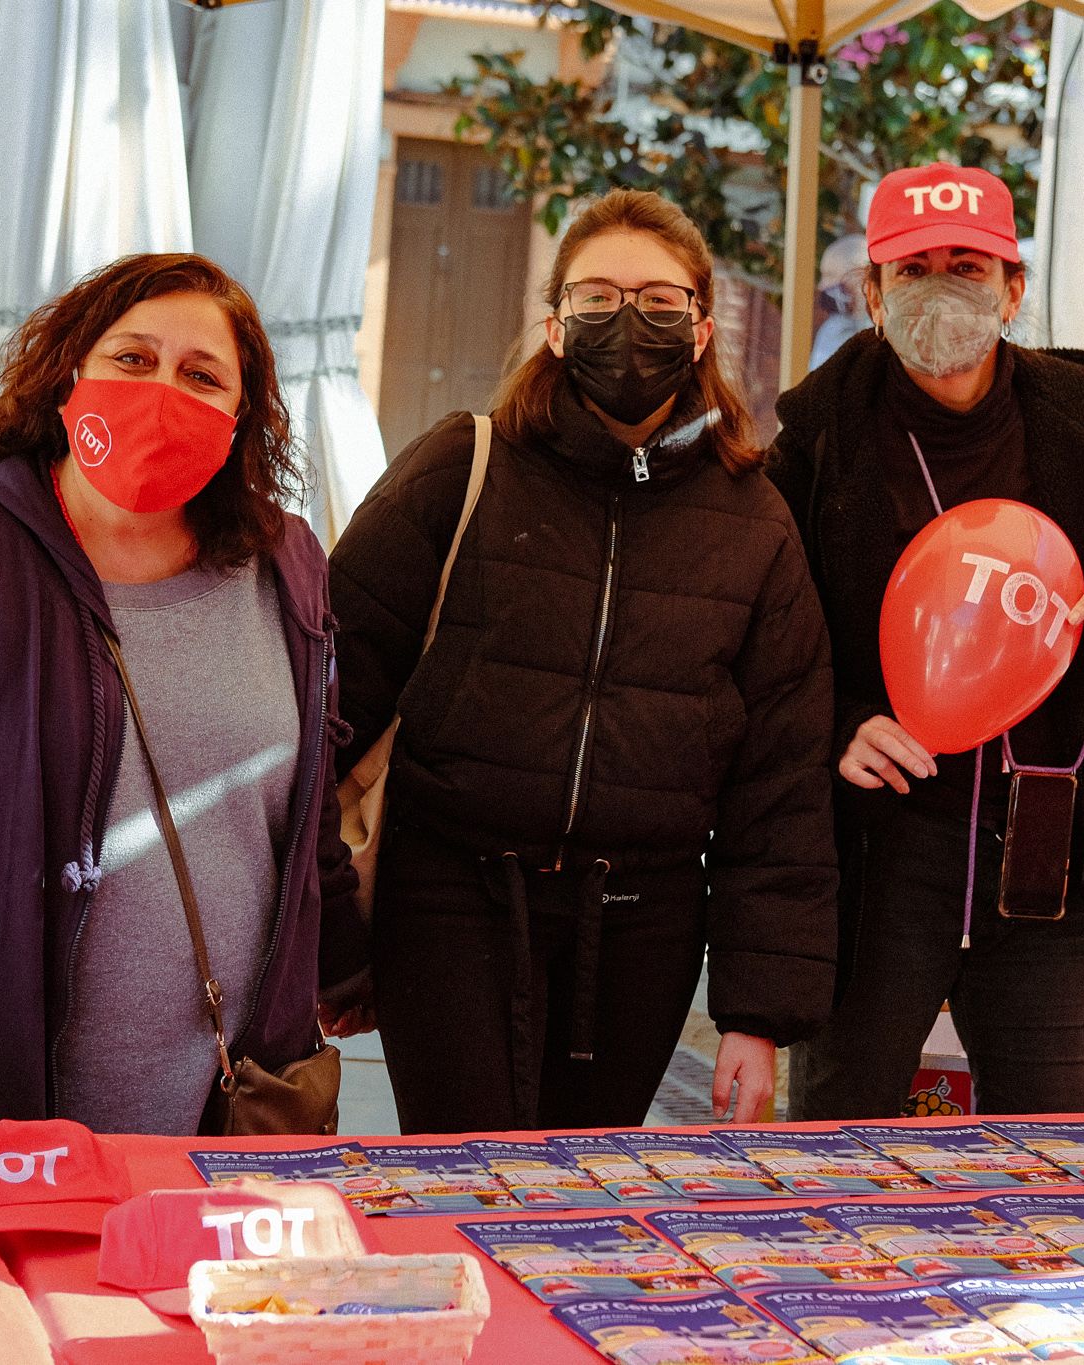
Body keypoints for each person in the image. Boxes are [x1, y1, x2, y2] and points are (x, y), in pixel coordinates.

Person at [0, 253, 364, 1134]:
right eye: (133, 359)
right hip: (10, 1103)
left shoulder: (288, 565)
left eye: (200, 374)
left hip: (239, 1105)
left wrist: (348, 966)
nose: (163, 390)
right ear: (70, 375)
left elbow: (303, 813)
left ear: (237, 416)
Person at [330, 189, 837, 1135]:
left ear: (698, 328)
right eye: (597, 298)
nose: (626, 322)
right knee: (462, 1176)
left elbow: (782, 782)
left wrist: (756, 1014)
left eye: (657, 300)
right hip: (451, 901)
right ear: (557, 326)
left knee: (583, 1207)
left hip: (643, 927)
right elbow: (327, 690)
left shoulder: (754, 520)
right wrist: (323, 931)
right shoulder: (462, 464)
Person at [768, 163, 1084, 1121]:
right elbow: (766, 647)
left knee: (1051, 1159)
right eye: (913, 269)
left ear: (1014, 290)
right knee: (833, 1163)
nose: (941, 288)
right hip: (875, 863)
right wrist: (837, 723)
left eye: (966, 267)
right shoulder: (813, 448)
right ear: (873, 297)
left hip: (1048, 859)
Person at [808, 232, 870, 370]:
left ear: (857, 277)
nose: (822, 286)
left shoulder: (835, 328)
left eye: (829, 275)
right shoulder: (834, 329)